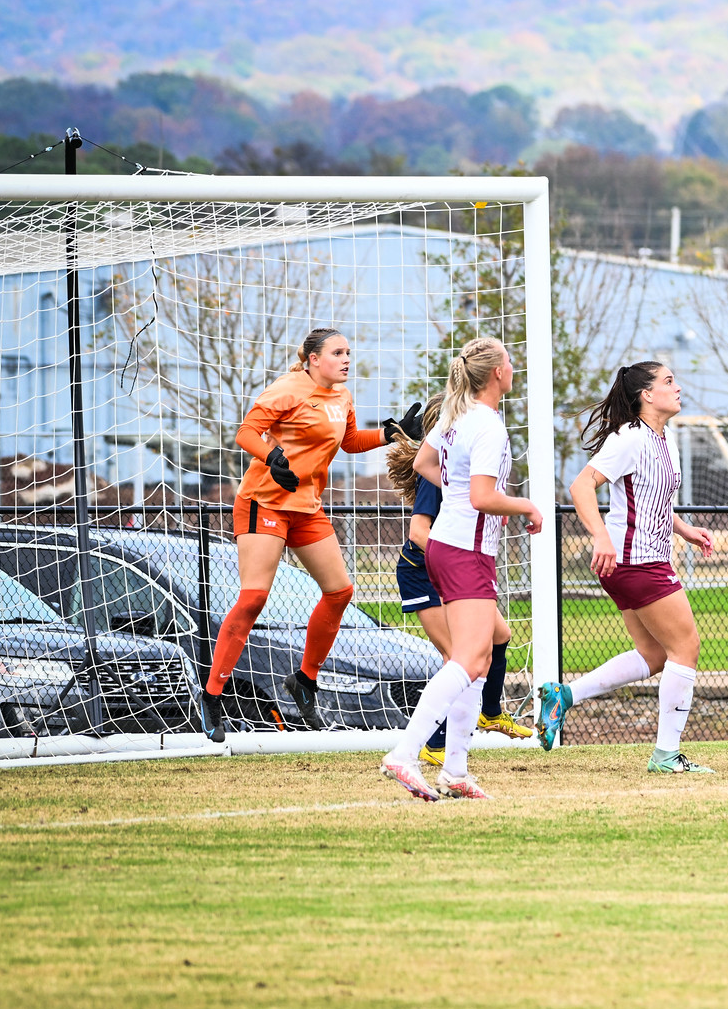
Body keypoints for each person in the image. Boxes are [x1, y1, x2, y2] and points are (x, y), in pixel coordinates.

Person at [197, 326, 411, 743]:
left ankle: (305, 682)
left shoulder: (342, 397)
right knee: (255, 597)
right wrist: (271, 455)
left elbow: (349, 442)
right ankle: (212, 696)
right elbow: (246, 433)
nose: (347, 359)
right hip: (265, 502)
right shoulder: (287, 389)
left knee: (340, 591)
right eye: (337, 352)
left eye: (349, 351)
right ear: (313, 359)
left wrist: (390, 433)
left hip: (307, 507)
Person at [379, 338, 543, 800]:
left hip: (456, 548)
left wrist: (453, 485)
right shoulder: (487, 425)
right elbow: (482, 498)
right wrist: (527, 505)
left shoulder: (456, 416)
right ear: (495, 374)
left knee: (482, 656)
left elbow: (422, 462)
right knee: (467, 659)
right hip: (463, 551)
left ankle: (454, 770)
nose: (514, 367)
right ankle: (405, 754)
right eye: (510, 361)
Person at [537, 362, 718, 773]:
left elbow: (653, 499)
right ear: (647, 395)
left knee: (654, 655)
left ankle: (564, 697)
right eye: (669, 381)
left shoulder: (663, 439)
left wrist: (684, 529)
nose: (678, 387)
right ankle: (666, 756)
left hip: (634, 561)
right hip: (635, 561)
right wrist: (600, 537)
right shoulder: (629, 438)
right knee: (686, 649)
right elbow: (581, 486)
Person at [384, 416, 536, 766]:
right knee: (461, 659)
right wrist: (453, 553)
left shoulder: (465, 472)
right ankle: (433, 746)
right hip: (422, 571)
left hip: (448, 568)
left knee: (500, 635)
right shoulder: (436, 478)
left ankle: (491, 712)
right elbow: (419, 533)